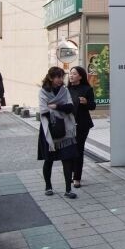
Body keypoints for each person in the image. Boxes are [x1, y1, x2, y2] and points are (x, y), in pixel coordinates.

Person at [38, 66, 78, 199]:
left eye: (62, 77)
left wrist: (56, 106)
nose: (60, 80)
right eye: (58, 77)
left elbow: (70, 107)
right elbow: (44, 111)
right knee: (48, 160)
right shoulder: (43, 92)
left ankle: (68, 190)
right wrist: (61, 110)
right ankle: (48, 186)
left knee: (67, 159)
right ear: (51, 77)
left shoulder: (64, 91)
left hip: (66, 130)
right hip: (49, 130)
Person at [67, 66, 96, 188]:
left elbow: (93, 106)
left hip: (82, 124)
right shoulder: (66, 89)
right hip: (68, 124)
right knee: (69, 149)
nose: (71, 75)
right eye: (70, 73)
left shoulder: (87, 89)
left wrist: (86, 102)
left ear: (80, 76)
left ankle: (77, 177)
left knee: (78, 149)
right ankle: (69, 174)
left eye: (74, 73)